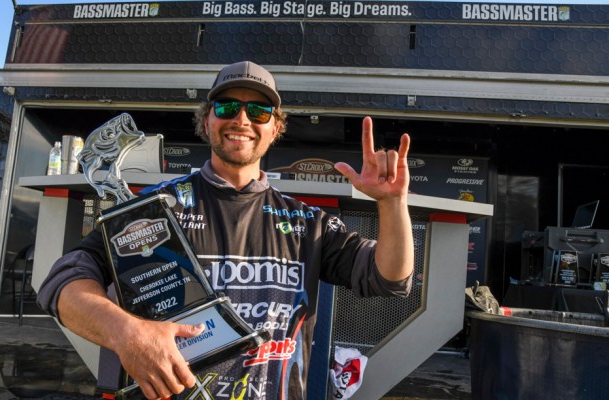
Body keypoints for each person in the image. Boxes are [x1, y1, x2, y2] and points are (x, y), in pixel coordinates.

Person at [37, 60, 414, 400]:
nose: (242, 119)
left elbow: (390, 278)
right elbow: (62, 284)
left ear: (276, 128)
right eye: (228, 107)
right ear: (206, 121)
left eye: (260, 110)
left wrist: (392, 204)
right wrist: (126, 334)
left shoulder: (307, 223)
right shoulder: (152, 211)